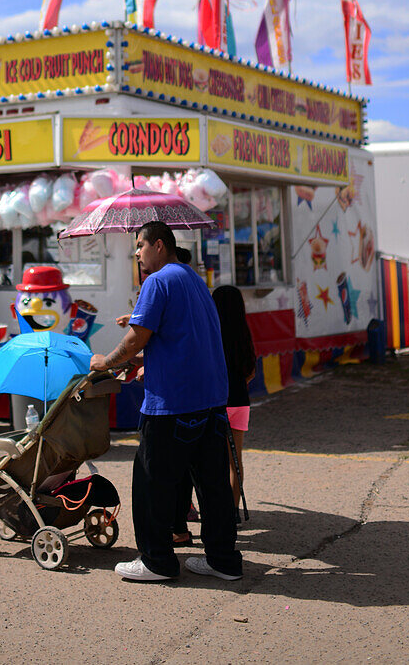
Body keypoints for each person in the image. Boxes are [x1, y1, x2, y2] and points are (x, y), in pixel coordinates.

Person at [91, 221, 242, 583]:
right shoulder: (192, 279)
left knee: (150, 483)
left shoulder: (157, 281)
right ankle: (223, 560)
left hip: (173, 403)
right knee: (213, 485)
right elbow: (178, 334)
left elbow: (135, 341)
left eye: (140, 246)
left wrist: (104, 362)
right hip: (210, 400)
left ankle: (156, 562)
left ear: (159, 245)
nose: (137, 253)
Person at [173, 283, 256, 535]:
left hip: (215, 401)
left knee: (210, 460)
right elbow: (249, 372)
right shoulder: (244, 333)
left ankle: (211, 512)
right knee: (235, 461)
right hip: (240, 401)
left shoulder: (210, 332)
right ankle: (232, 511)